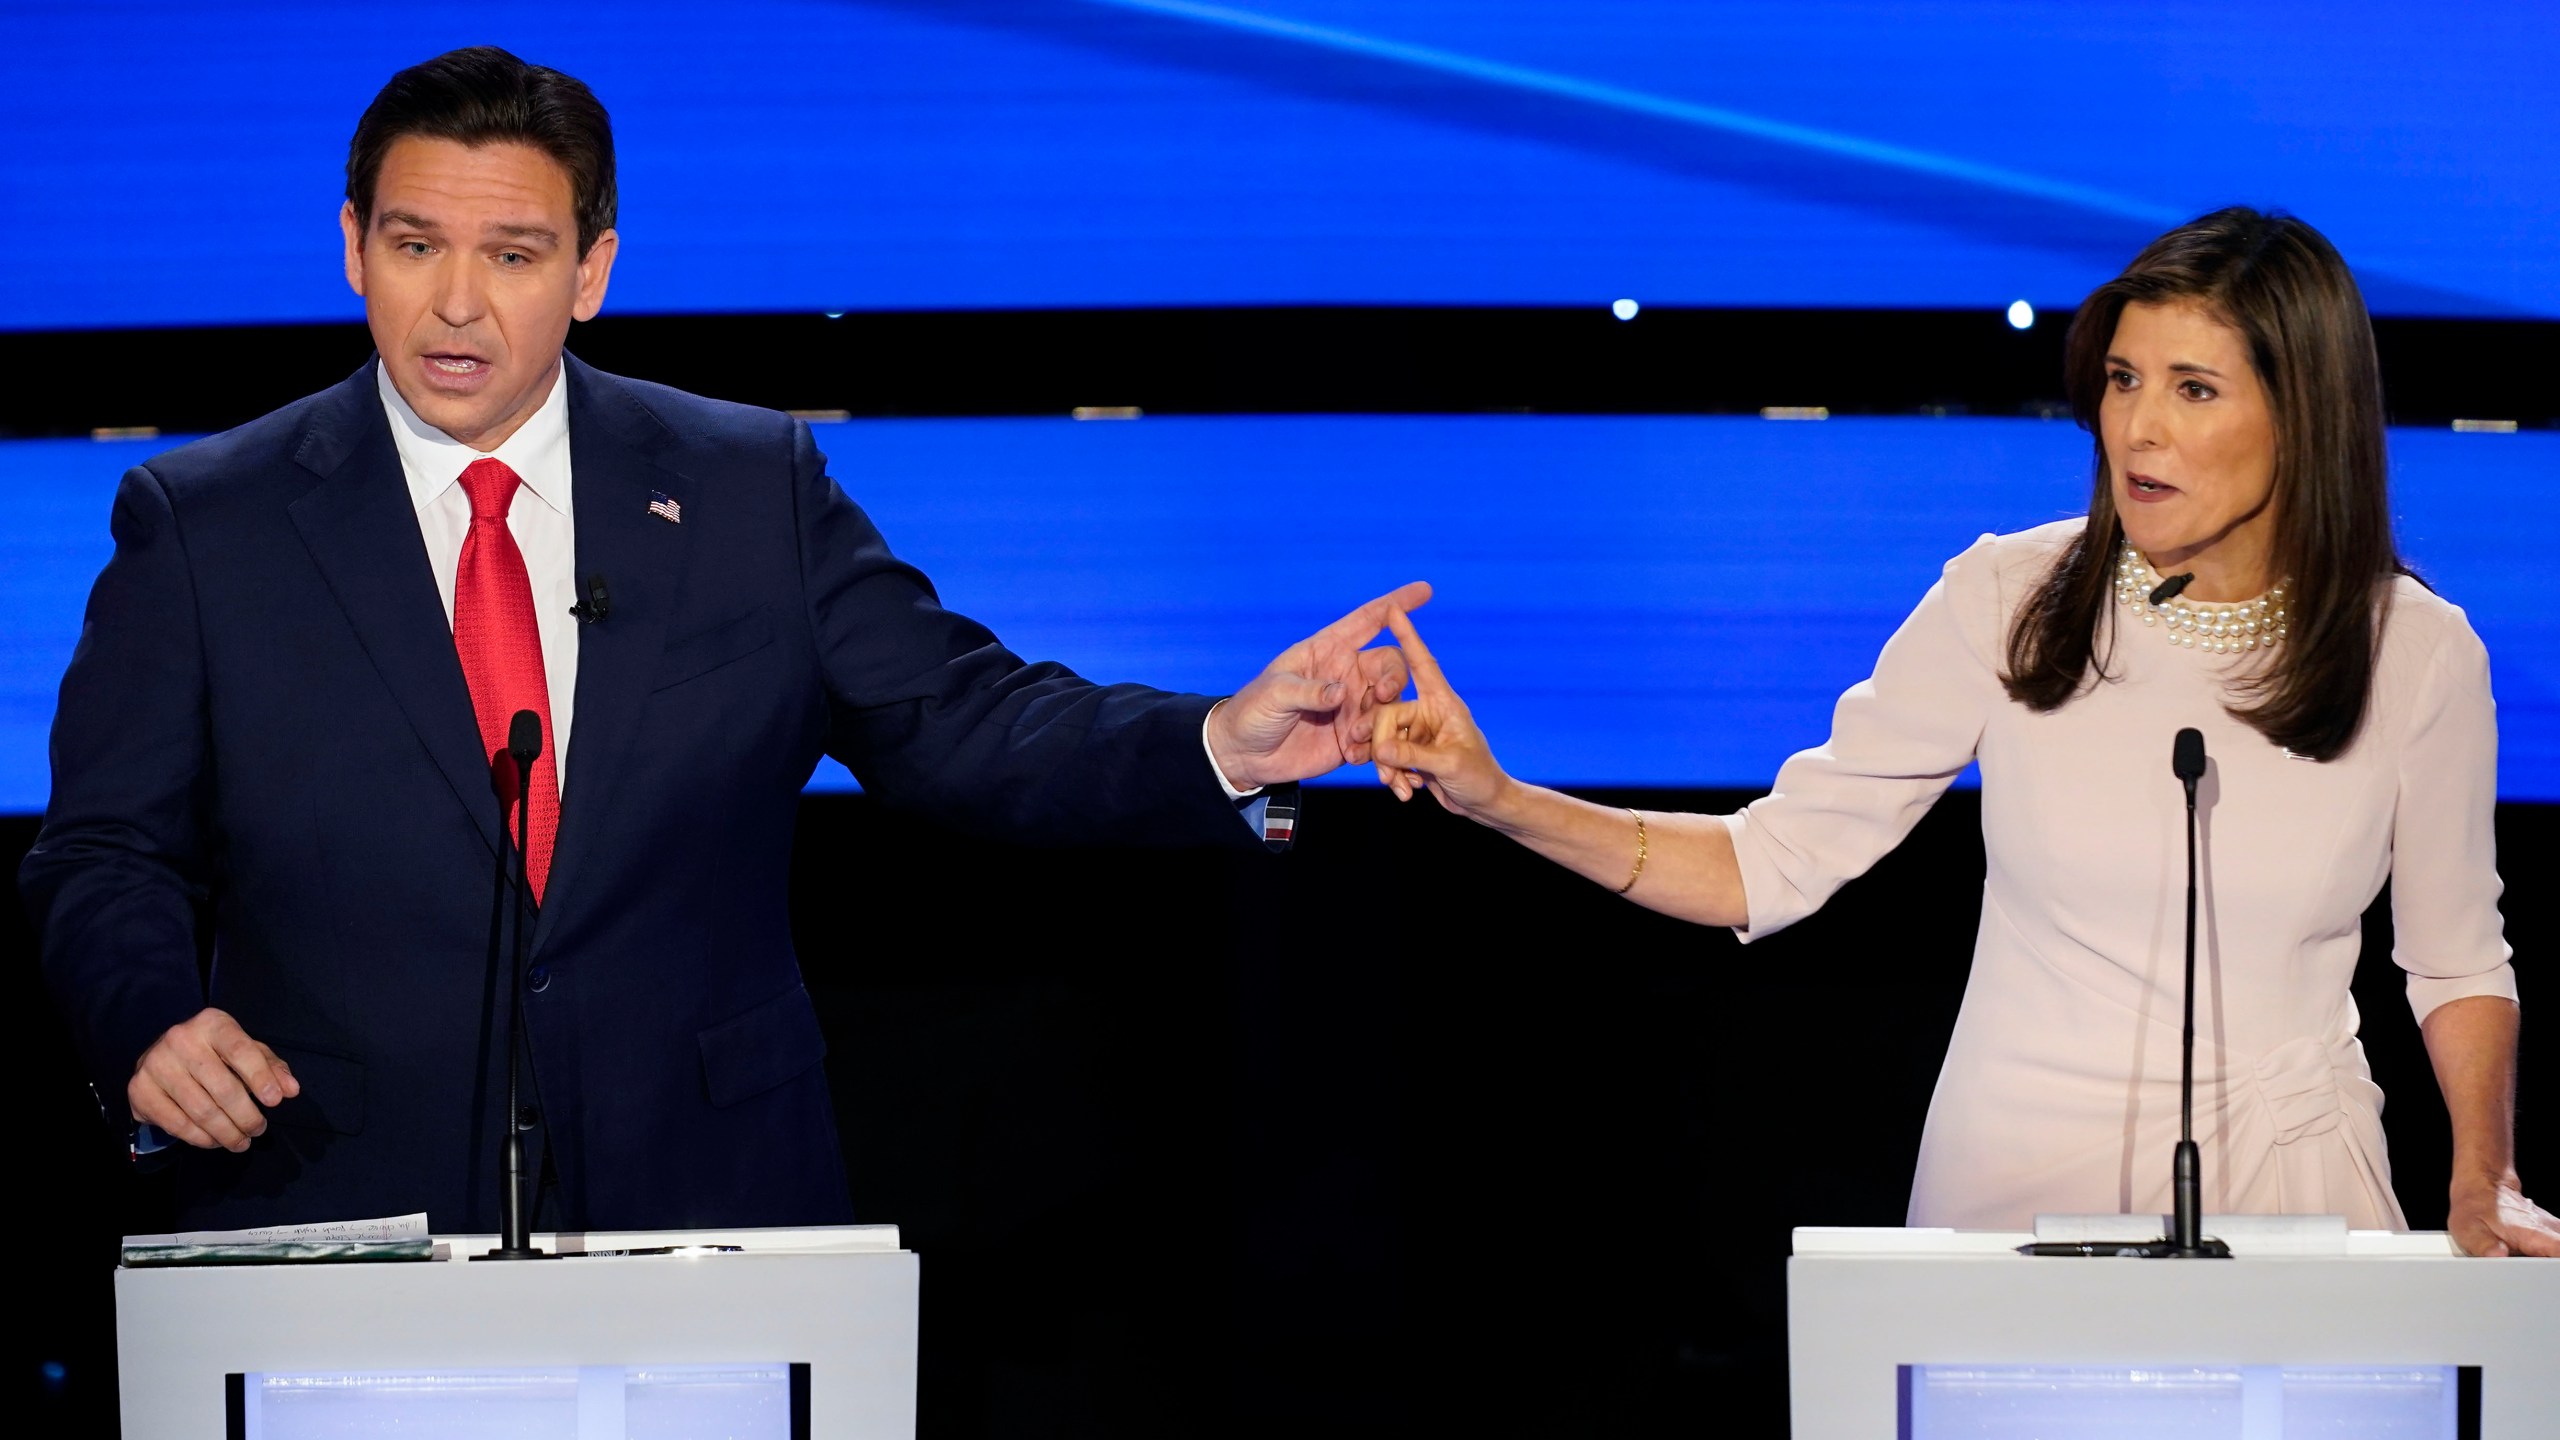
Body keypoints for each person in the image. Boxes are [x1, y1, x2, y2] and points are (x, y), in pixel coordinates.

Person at [20, 47, 1425, 1234]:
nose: (457, 303)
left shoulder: (750, 488)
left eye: (513, 255)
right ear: (351, 248)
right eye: (414, 246)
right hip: (339, 1193)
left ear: (591, 272)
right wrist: (145, 1019)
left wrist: (1216, 742)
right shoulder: (208, 522)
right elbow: (103, 845)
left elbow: (967, 721)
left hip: (704, 1198)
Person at [1369, 208, 2559, 1258]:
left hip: (2294, 1198)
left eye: (2192, 389)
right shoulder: (2010, 597)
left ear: (2303, 417)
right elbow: (1766, 862)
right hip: (2021, 1199)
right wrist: (1501, 798)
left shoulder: (2416, 652)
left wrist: (2480, 1171)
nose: (2134, 428)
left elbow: (2456, 960)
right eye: (2122, 377)